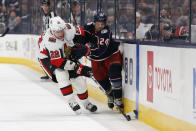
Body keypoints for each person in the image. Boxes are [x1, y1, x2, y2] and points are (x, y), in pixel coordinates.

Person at [38, 16, 97, 113]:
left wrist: (87, 46)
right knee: (62, 75)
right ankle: (71, 101)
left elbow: (82, 33)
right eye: (57, 32)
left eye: (61, 30)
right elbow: (59, 62)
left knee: (79, 80)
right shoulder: (50, 41)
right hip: (47, 58)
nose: (60, 33)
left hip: (63, 52)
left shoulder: (68, 29)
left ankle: (86, 103)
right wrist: (80, 68)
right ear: (52, 31)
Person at [73, 12, 123, 109]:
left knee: (114, 73)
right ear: (94, 22)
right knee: (99, 77)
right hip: (96, 58)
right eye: (99, 23)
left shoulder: (106, 32)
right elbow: (80, 39)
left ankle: (118, 97)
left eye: (103, 23)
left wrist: (86, 51)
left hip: (111, 55)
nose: (101, 25)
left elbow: (101, 51)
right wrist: (78, 44)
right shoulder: (87, 27)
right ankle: (110, 94)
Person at [40, 0, 56, 79]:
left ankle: (52, 73)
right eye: (44, 6)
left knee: (49, 56)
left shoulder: (52, 14)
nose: (45, 7)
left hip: (52, 39)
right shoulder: (43, 15)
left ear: (49, 6)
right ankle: (49, 72)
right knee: (46, 56)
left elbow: (54, 26)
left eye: (47, 6)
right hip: (46, 39)